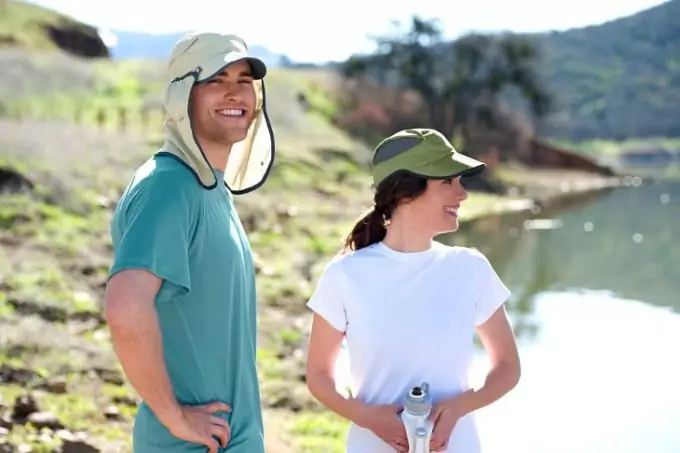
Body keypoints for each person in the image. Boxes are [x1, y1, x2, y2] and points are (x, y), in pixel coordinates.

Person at [103, 31, 275, 453]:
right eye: (216, 79)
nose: (235, 91)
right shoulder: (169, 186)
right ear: (183, 95)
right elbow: (125, 307)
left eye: (244, 80)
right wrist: (174, 418)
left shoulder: (209, 188)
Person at [304, 128, 521, 453]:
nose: (462, 194)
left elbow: (508, 367)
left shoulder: (470, 268)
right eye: (448, 182)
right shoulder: (345, 275)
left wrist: (461, 405)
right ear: (405, 192)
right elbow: (319, 375)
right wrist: (366, 416)